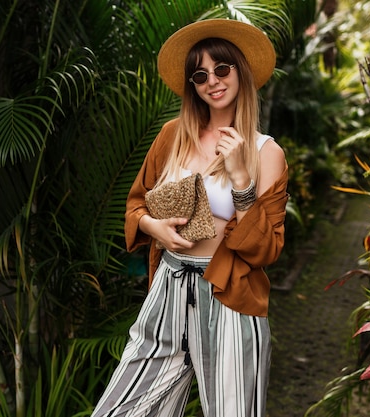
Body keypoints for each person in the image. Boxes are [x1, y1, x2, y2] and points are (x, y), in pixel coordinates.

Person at [90, 18, 288, 417]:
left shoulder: (266, 152)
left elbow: (266, 249)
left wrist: (240, 179)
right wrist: (154, 228)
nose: (212, 80)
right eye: (200, 74)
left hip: (229, 296)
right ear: (192, 85)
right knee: (123, 409)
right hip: (169, 286)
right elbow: (135, 205)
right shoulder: (172, 135)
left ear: (240, 71)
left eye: (222, 68)